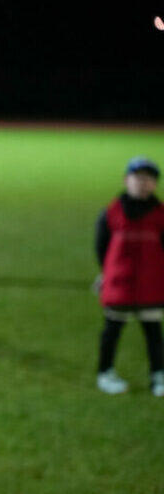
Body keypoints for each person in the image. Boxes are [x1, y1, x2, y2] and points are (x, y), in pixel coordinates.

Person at [94, 156, 164, 396]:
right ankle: (105, 373)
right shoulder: (111, 213)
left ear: (155, 184)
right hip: (120, 284)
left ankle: (158, 376)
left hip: (151, 285)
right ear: (126, 180)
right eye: (138, 178)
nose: (143, 183)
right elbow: (101, 247)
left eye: (149, 179)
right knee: (112, 330)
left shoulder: (160, 214)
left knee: (153, 333)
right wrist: (108, 273)